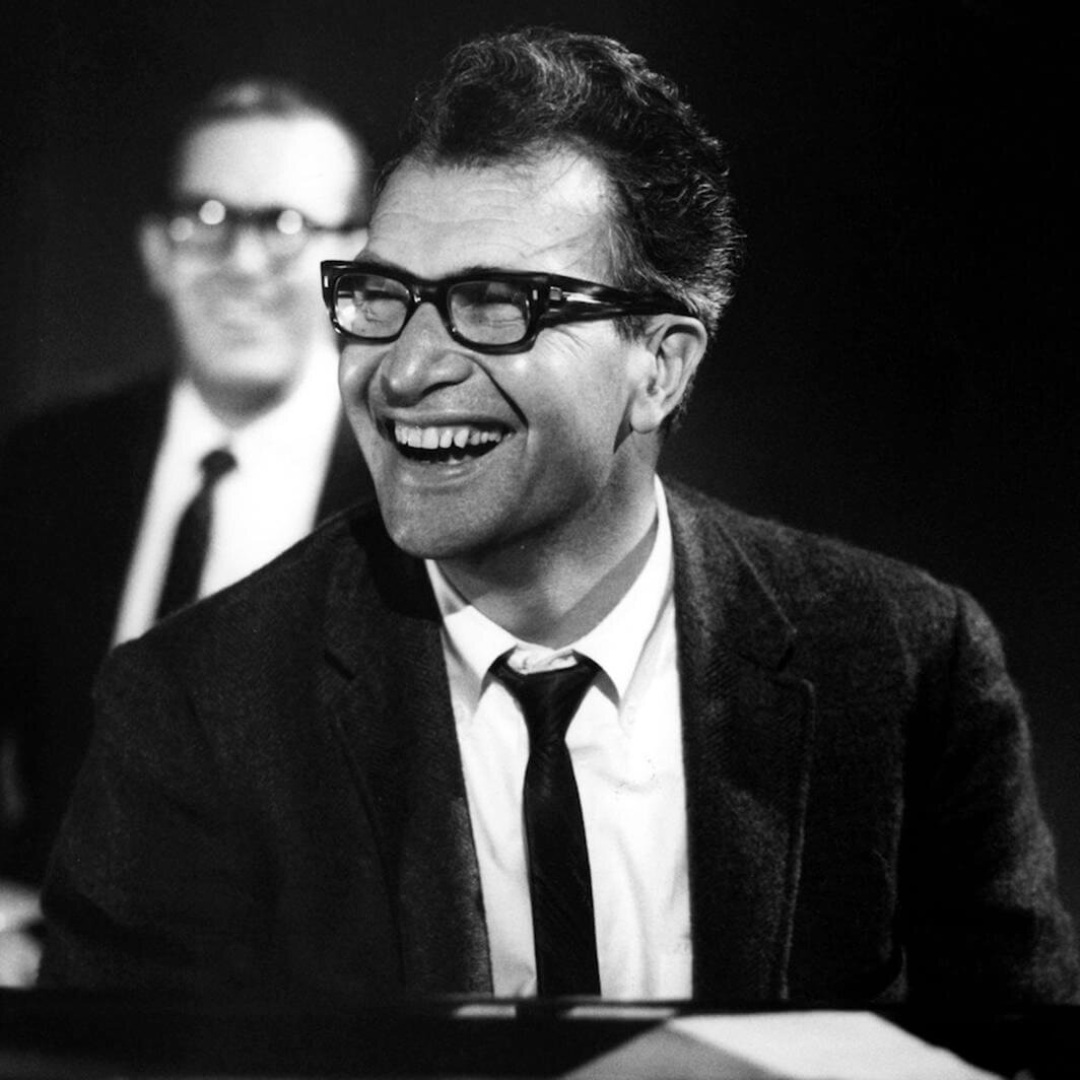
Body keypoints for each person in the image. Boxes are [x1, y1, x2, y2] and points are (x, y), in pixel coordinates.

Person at [38, 29, 1077, 1006]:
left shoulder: (904, 667)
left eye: (496, 305)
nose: (405, 370)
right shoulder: (196, 707)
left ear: (660, 367)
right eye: (380, 297)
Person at [0, 77, 375, 984]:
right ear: (157, 251)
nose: (242, 262)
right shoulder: (49, 465)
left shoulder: (411, 490)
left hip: (319, 1006)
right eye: (205, 218)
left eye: (286, 225)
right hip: (58, 988)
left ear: (356, 270)